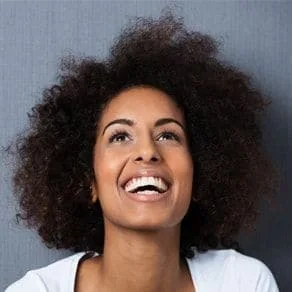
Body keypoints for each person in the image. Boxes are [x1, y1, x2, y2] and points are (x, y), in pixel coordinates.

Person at [5, 10, 280, 292]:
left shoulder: (243, 282)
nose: (147, 151)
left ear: (200, 175)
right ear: (88, 181)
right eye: (120, 136)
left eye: (168, 135)